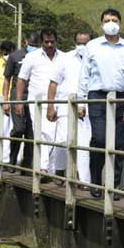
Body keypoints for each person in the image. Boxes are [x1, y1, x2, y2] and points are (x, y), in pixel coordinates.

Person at [77, 9, 124, 198]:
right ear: (101, 24)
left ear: (121, 23)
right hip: (97, 97)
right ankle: (95, 182)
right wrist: (81, 102)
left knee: (119, 143)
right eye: (107, 20)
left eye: (114, 20)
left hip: (121, 97)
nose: (111, 23)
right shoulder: (92, 47)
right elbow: (84, 76)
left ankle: (115, 185)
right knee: (100, 139)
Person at [16, 28, 65, 177]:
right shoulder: (32, 57)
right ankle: (43, 168)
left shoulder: (64, 57)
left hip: (59, 100)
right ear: (41, 42)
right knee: (43, 132)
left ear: (56, 41)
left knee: (58, 136)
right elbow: (22, 79)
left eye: (52, 41)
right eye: (46, 42)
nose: (49, 44)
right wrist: (19, 101)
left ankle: (52, 169)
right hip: (37, 102)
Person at [47, 32, 93, 185]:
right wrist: (50, 106)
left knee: (84, 143)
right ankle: (60, 171)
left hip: (87, 106)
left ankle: (83, 179)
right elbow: (53, 83)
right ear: (75, 43)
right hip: (65, 105)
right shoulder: (65, 59)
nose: (82, 46)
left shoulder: (95, 59)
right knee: (62, 140)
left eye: (85, 43)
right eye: (79, 43)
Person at [4, 32, 41, 172]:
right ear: (25, 42)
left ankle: (26, 164)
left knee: (31, 132)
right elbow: (7, 79)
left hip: (33, 96)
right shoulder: (15, 56)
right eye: (31, 44)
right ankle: (12, 161)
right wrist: (6, 100)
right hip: (17, 96)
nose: (33, 47)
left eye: (36, 45)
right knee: (19, 129)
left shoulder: (41, 56)